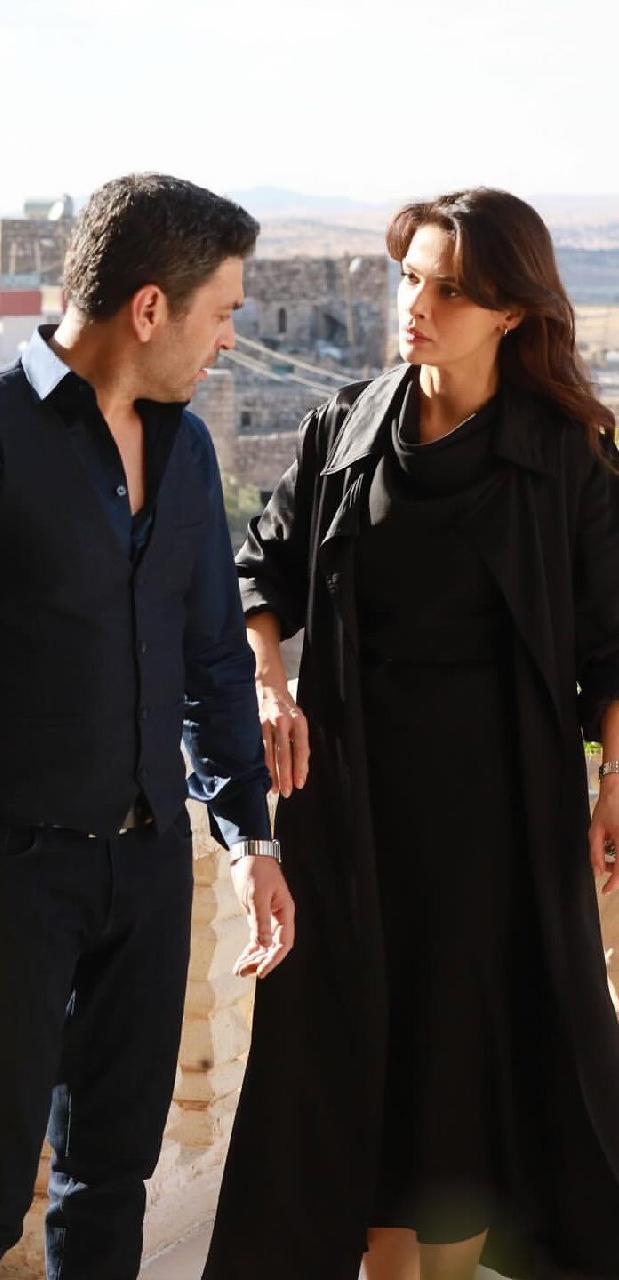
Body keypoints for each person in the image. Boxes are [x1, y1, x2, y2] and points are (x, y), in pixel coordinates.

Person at [0, 173, 295, 1280]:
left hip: (146, 867)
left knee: (110, 1179)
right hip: (2, 870)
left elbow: (212, 664)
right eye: (222, 312)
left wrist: (248, 837)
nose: (228, 339)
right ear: (148, 309)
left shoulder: (187, 452)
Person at [204, 188, 619, 1280]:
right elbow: (256, 570)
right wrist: (265, 683)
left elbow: (612, 644)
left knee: (457, 1067)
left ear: (510, 313)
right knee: (347, 1056)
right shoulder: (341, 427)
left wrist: (613, 779)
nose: (415, 305)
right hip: (348, 802)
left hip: (498, 815)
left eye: (449, 290)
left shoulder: (570, 455)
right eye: (408, 278)